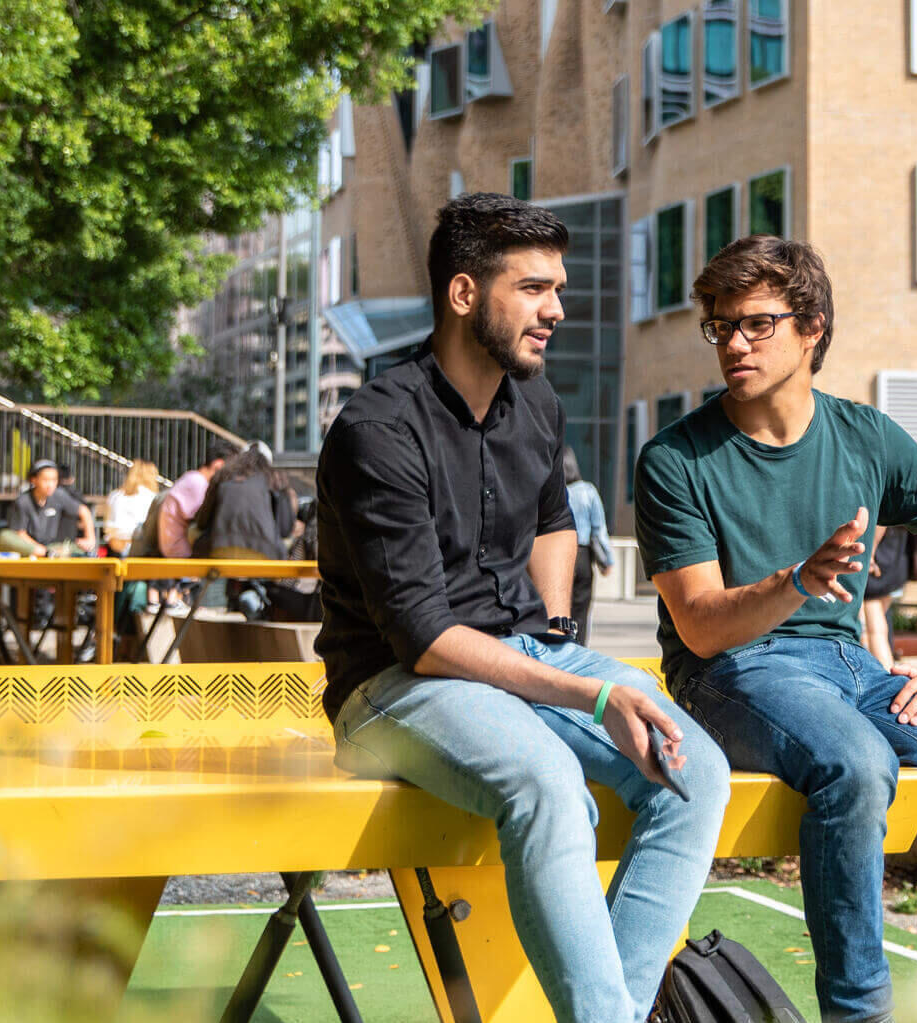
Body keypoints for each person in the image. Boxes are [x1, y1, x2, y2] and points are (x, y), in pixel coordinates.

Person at [315, 192, 728, 1023]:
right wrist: (592, 690)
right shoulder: (379, 427)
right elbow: (425, 638)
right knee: (549, 781)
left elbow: (551, 521)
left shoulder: (534, 403)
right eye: (534, 288)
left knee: (697, 769)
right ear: (464, 293)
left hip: (518, 655)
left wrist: (556, 640)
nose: (557, 310)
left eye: (559, 287)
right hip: (391, 687)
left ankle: (617, 1013)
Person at [638, 235, 917, 1023]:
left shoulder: (865, 435)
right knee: (857, 766)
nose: (733, 342)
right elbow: (700, 625)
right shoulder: (675, 458)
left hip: (851, 666)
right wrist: (797, 582)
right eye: (718, 326)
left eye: (755, 323)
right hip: (731, 672)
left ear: (812, 326)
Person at [195, 446, 298, 619]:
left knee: (193, 532)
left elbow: (201, 521)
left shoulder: (224, 475)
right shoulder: (275, 478)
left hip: (219, 552)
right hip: (266, 555)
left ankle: (200, 602)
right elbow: (286, 528)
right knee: (289, 541)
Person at [561, 446, 615, 645]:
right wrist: (607, 561)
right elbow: (598, 529)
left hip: (557, 555)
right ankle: (578, 649)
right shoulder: (588, 491)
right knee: (580, 612)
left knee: (556, 609)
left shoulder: (553, 492)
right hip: (582, 555)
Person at [158, 441, 240, 559]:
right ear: (219, 465)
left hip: (176, 550)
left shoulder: (192, 478)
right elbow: (202, 522)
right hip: (182, 553)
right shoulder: (197, 483)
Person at [0, 460, 94, 557]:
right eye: (45, 480)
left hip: (53, 546)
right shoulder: (23, 501)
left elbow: (84, 511)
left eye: (54, 480)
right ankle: (50, 554)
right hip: (30, 547)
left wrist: (90, 538)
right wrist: (42, 551)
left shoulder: (59, 495)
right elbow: (20, 533)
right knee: (5, 536)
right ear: (33, 480)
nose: (50, 485)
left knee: (81, 551)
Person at [858, 526, 909, 668]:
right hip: (893, 560)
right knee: (877, 626)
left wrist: (871, 553)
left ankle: (885, 671)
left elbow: (879, 523)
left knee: (874, 630)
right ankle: (883, 670)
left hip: (876, 566)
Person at [104, 460, 162, 556]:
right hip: (141, 548)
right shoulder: (152, 497)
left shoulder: (114, 495)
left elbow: (108, 527)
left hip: (116, 546)